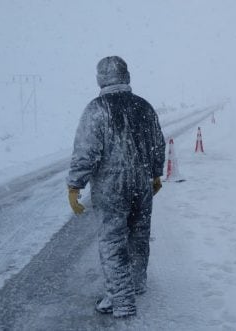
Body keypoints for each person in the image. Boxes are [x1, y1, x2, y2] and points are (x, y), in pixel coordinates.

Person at [67, 56, 165, 318]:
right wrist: (155, 174)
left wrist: (75, 185)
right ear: (127, 75)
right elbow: (157, 143)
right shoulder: (144, 107)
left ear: (100, 78)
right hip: (142, 184)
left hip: (111, 186)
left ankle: (121, 301)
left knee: (113, 241)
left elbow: (86, 151)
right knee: (138, 236)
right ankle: (136, 283)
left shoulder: (96, 109)